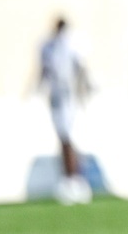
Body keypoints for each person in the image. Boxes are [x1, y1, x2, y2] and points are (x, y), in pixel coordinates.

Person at [38, 17, 93, 205]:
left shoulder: (72, 44)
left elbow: (80, 69)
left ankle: (75, 178)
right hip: (57, 96)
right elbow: (44, 70)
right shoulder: (48, 46)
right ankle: (69, 178)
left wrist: (84, 92)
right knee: (63, 139)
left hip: (70, 96)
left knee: (69, 138)